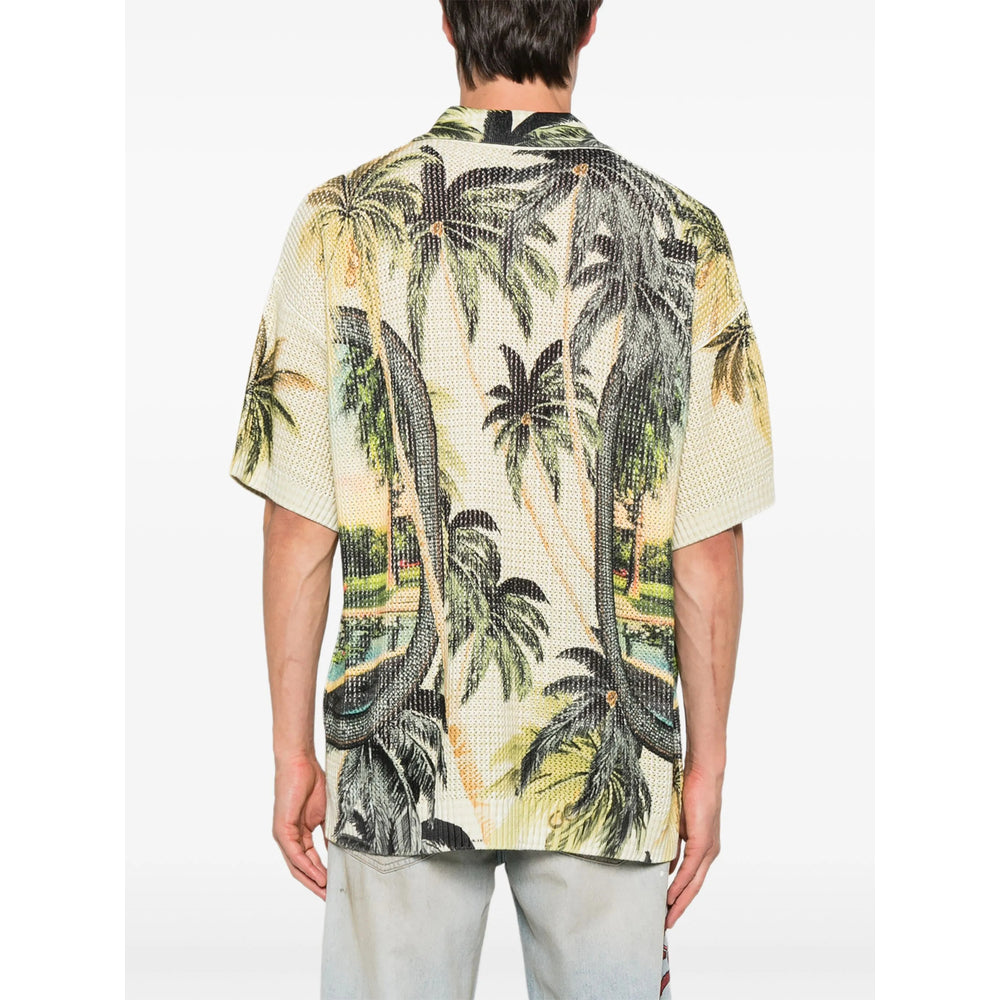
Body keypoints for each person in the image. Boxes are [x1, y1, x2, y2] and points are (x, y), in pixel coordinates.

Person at [228, 2, 775, 997]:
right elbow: (706, 544)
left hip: (397, 755)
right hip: (610, 755)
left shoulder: (340, 224)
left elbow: (298, 523)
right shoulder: (681, 234)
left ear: (447, 20)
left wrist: (290, 752)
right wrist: (706, 765)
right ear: (590, 22)